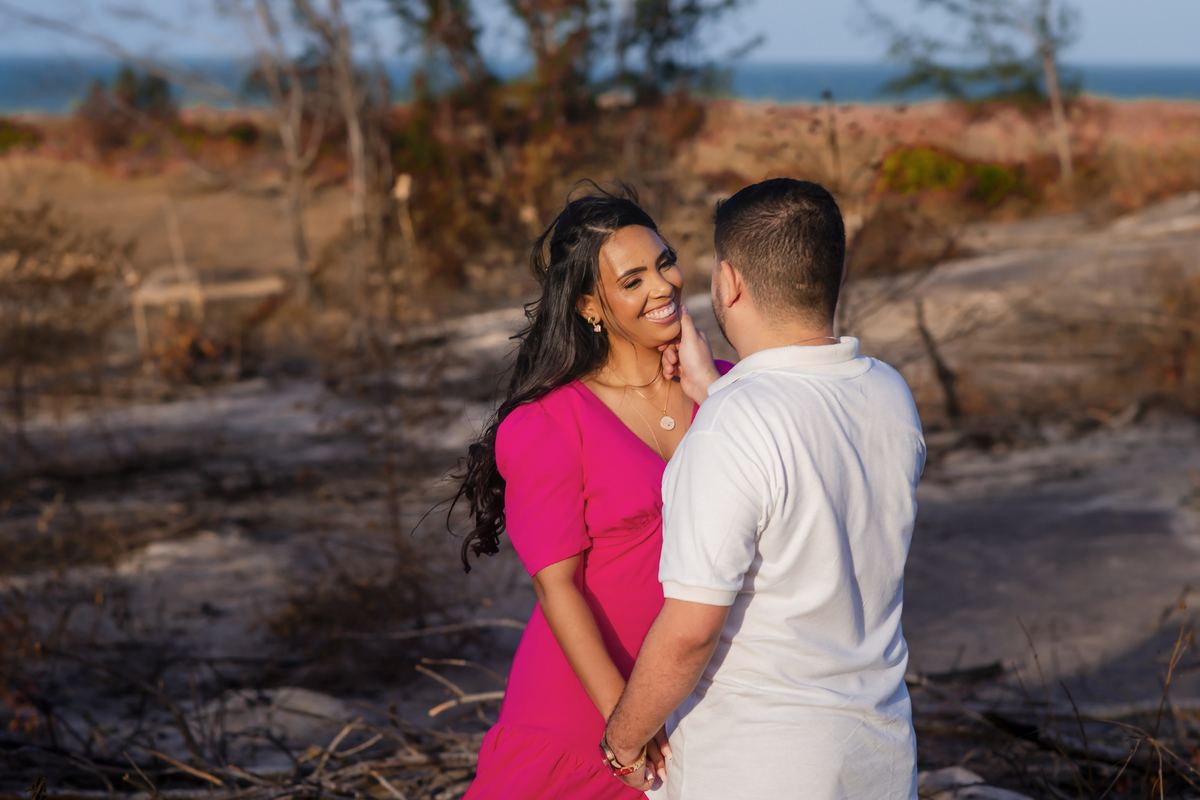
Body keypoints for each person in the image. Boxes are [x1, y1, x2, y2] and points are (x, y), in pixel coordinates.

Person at [602, 178, 926, 799]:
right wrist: (715, 389)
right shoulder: (889, 393)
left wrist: (622, 741)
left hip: (756, 763)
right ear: (833, 270)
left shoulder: (733, 426)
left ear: (728, 282)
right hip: (878, 754)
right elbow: (803, 439)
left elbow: (692, 629)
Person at [454, 184, 730, 799]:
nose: (663, 287)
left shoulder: (728, 392)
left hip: (700, 691)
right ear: (589, 305)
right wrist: (623, 724)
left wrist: (712, 388)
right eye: (632, 280)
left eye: (663, 264)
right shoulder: (550, 423)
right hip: (586, 709)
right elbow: (558, 587)